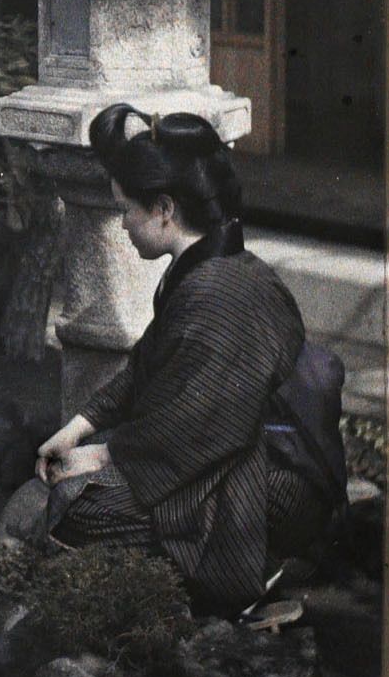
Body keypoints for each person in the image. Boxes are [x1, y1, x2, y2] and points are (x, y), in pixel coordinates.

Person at [33, 104, 329, 617]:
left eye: (127, 209)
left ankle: (261, 568)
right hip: (229, 456)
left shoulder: (219, 291)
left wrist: (100, 456)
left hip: (270, 482)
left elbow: (191, 427)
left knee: (75, 508)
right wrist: (78, 429)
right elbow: (143, 370)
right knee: (75, 487)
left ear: (165, 209)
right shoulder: (204, 271)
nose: (122, 224)